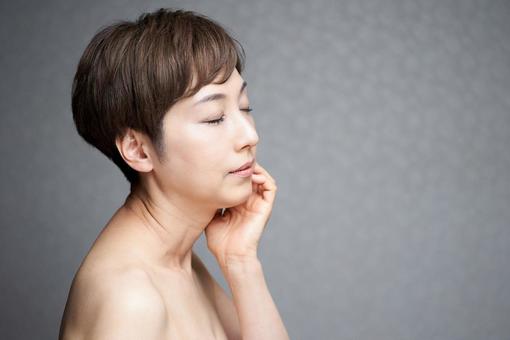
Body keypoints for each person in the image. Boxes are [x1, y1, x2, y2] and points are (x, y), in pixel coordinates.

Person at [58, 8, 290, 340]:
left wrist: (241, 262)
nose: (250, 136)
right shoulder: (130, 298)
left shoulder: (179, 261)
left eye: (244, 107)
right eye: (213, 117)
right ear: (138, 150)